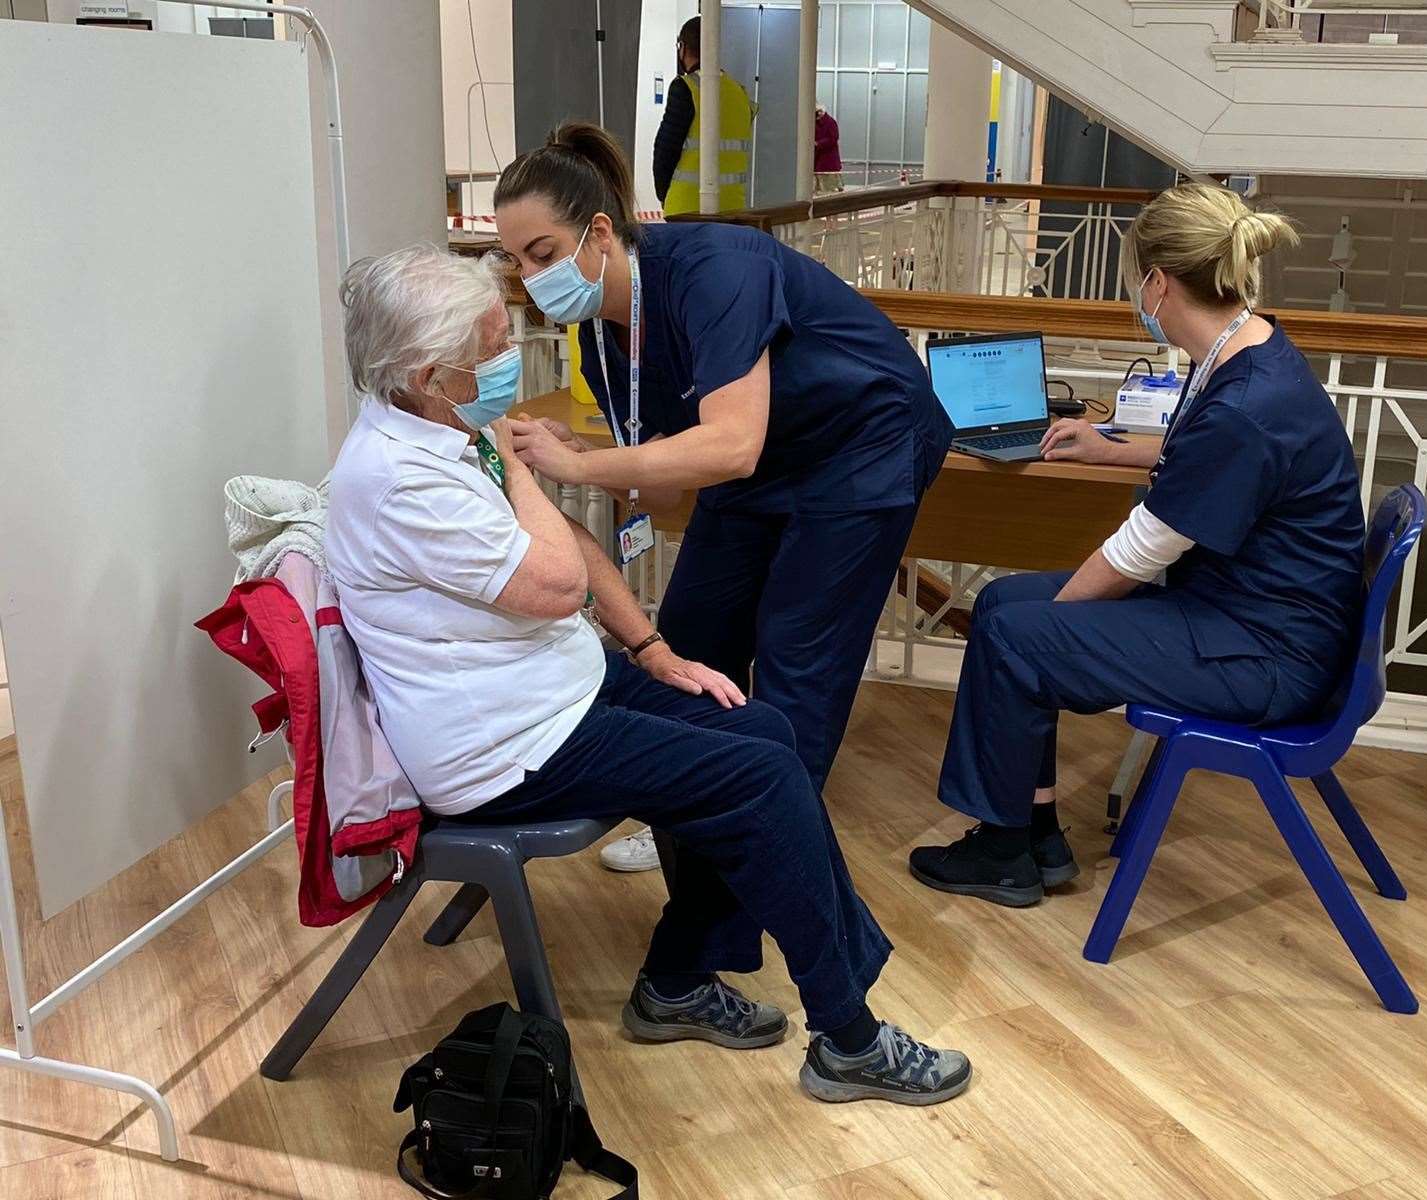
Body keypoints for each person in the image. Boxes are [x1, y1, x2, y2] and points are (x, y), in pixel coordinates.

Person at [324, 244, 971, 1104]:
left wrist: (652, 649)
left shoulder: (444, 423)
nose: (509, 358)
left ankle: (676, 982)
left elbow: (575, 549)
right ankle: (848, 1037)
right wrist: (520, 463)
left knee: (761, 728)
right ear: (427, 373)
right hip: (508, 748)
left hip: (562, 691)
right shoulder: (401, 478)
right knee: (759, 775)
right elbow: (556, 583)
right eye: (489, 350)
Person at [497, 124, 954, 870]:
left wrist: (583, 471)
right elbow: (670, 467)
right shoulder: (596, 334)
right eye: (514, 261)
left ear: (600, 231)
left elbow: (731, 443)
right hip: (757, 470)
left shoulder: (715, 268)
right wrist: (595, 459)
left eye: (542, 254)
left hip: (859, 446)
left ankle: (772, 847)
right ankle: (697, 807)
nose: (530, 277)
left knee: (798, 651)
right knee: (693, 632)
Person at [909, 182, 1367, 907]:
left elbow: (1137, 549)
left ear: (1157, 282)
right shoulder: (1247, 350)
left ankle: (1003, 852)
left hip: (1263, 653)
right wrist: (1109, 447)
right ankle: (1037, 831)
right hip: (1247, 614)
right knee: (1000, 603)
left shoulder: (1247, 405)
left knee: (1023, 634)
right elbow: (1207, 461)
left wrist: (1058, 627)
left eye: (1136, 281)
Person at [653, 17, 754, 216]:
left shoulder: (685, 87)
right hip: (733, 207)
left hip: (688, 209)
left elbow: (665, 149)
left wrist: (664, 194)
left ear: (683, 47)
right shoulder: (739, 92)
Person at [814, 104, 843, 195]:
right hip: (818, 158)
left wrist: (818, 143)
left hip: (828, 159)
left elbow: (833, 138)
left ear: (820, 112)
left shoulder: (831, 122)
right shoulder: (816, 122)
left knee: (829, 189)